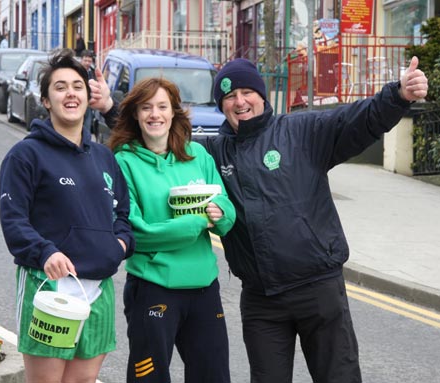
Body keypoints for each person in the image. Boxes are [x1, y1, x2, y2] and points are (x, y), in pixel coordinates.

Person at [88, 55, 428, 383]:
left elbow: (356, 120)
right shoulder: (214, 151)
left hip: (318, 288)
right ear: (221, 105)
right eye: (229, 96)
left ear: (262, 95)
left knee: (338, 376)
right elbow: (159, 132)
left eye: (247, 92)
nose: (239, 102)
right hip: (261, 299)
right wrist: (110, 108)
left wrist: (397, 95)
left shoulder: (304, 130)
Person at [0, 48, 135, 383]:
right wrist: (45, 251)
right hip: (49, 290)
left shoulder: (104, 157)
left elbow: (123, 215)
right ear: (46, 100)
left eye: (78, 86)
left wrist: (119, 245)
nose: (70, 93)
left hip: (99, 291)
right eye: (60, 87)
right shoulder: (26, 155)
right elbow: (13, 219)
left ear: (89, 98)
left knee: (83, 381)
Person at [106, 77, 236, 383]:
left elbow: (227, 210)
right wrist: (196, 222)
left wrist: (220, 213)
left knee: (213, 376)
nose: (155, 114)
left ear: (174, 112)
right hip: (153, 288)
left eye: (162, 106)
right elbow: (137, 232)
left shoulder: (198, 156)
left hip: (204, 289)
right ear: (135, 114)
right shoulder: (123, 163)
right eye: (146, 107)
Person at [80, 50, 96, 134]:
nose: (87, 63)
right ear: (81, 60)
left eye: (89, 61)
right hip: (78, 103)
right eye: (85, 60)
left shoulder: (93, 72)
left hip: (89, 104)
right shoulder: (76, 71)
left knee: (87, 128)